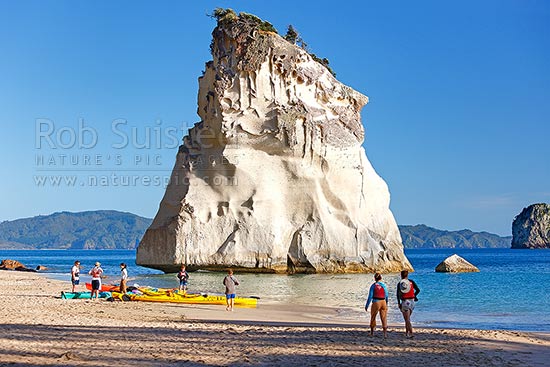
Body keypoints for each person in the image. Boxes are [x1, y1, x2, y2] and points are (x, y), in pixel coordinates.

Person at [396, 270, 420, 338]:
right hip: (412, 301)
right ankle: (407, 333)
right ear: (407, 275)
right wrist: (414, 296)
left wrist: (398, 303)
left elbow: (397, 294)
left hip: (405, 301)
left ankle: (411, 333)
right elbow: (418, 290)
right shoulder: (411, 281)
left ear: (401, 275)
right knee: (407, 319)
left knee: (407, 319)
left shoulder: (400, 283)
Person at [364, 273, 389, 338]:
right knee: (383, 318)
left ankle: (372, 332)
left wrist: (367, 305)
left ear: (375, 279)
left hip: (376, 302)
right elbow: (386, 295)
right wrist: (386, 303)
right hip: (383, 301)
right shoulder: (384, 285)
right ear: (381, 278)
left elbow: (370, 296)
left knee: (373, 317)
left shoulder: (373, 285)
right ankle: (385, 334)